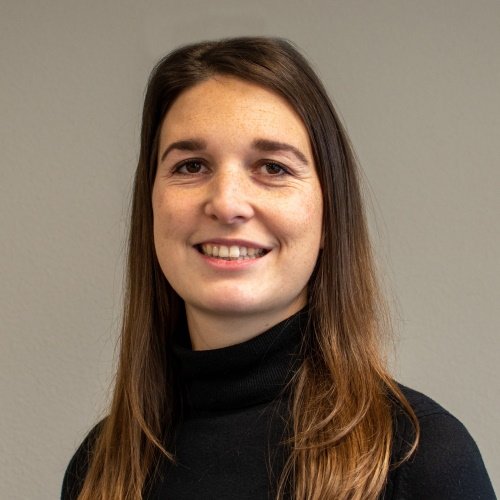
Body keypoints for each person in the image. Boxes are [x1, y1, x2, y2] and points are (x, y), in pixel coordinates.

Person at [61, 37, 495, 500]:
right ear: (150, 207)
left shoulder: (420, 458)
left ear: (330, 216)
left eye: (272, 167)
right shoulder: (98, 468)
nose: (227, 203)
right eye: (191, 166)